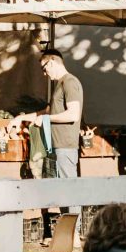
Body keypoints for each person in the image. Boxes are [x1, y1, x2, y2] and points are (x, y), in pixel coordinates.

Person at [36, 48, 85, 181]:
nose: (44, 74)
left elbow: (73, 115)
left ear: (51, 62)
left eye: (44, 69)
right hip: (58, 148)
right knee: (61, 192)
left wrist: (46, 118)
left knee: (69, 191)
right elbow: (47, 111)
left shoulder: (69, 82)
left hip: (65, 148)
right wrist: (21, 118)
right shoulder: (59, 84)